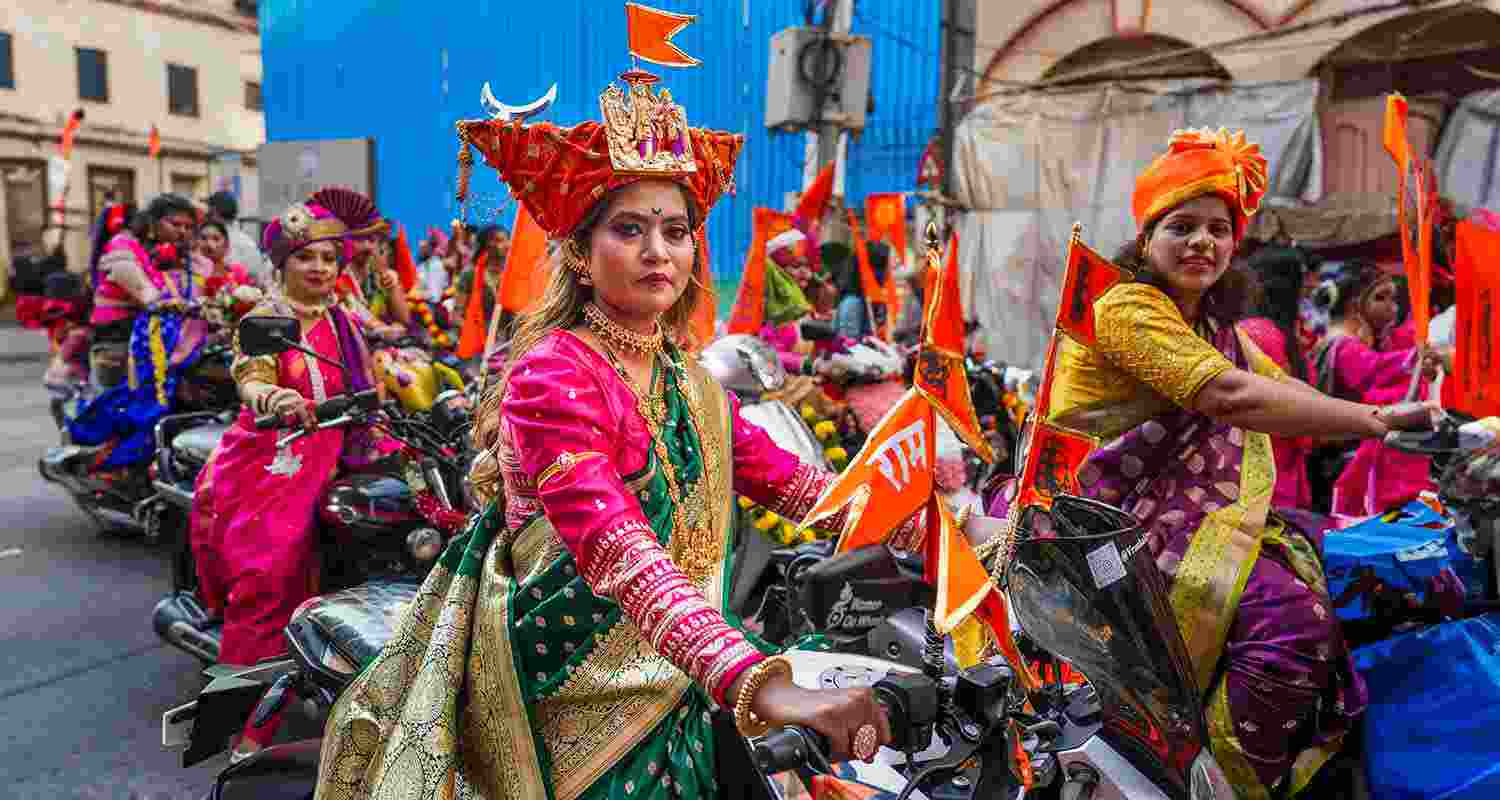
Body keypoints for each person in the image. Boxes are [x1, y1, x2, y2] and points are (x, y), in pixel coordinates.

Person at [315, 57, 905, 799]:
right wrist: (756, 679)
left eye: (677, 231)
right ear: (579, 255)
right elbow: (619, 551)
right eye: (630, 229)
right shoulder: (555, 375)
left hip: (676, 665)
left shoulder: (687, 377)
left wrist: (925, 525)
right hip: (574, 692)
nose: (659, 250)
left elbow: (793, 484)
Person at [988, 128, 1434, 796]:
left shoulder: (1209, 323)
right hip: (1096, 528)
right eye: (1183, 225)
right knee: (1294, 628)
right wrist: (1372, 422)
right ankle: (1212, 779)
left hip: (1179, 516)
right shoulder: (1127, 306)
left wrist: (1397, 414)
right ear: (1145, 238)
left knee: (1365, 562)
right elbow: (1229, 394)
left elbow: (1279, 387)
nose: (1203, 242)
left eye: (1219, 229)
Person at [190, 200, 397, 762]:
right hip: (272, 451)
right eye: (307, 255)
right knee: (272, 568)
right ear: (283, 262)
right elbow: (250, 377)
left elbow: (376, 377)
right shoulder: (265, 319)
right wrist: (274, 395)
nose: (321, 267)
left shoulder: (344, 321)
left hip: (344, 443)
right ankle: (239, 720)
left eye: (330, 257)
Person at [1309, 261, 1436, 516]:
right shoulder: (1344, 345)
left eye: (1394, 298)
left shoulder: (1355, 341)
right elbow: (1376, 371)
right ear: (1355, 305)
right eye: (1381, 298)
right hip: (1337, 460)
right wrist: (1419, 356)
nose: (1392, 307)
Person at [88, 193, 204, 390]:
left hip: (156, 340)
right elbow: (144, 291)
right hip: (119, 342)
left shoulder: (174, 257)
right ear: (152, 223)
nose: (183, 232)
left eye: (188, 227)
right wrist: (166, 301)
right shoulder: (123, 246)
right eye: (175, 224)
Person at [1237, 245, 1318, 509]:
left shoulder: (1273, 331)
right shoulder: (1261, 333)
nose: (1312, 284)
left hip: (1279, 466)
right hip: (1268, 471)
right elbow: (1283, 404)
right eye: (1304, 276)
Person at [310, 187, 408, 338]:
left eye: (372, 240)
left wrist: (393, 285)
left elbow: (404, 321)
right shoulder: (334, 277)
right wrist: (384, 329)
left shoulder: (378, 276)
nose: (368, 247)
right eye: (360, 239)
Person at [452, 223, 510, 328]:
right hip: (480, 340)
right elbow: (456, 316)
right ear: (487, 245)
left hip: (510, 341)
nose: (506, 244)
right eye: (499, 240)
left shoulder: (514, 275)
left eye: (507, 240)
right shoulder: (470, 275)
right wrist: (474, 334)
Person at [208, 190, 271, 285]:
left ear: (214, 211)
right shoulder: (248, 242)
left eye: (209, 212)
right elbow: (258, 279)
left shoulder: (209, 241)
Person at [835, 240, 890, 341]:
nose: (888, 272)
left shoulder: (871, 298)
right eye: (887, 266)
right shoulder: (853, 302)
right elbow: (849, 343)